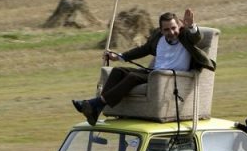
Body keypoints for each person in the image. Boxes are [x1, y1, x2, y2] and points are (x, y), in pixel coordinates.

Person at [72, 9, 215, 125]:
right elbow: (143, 50)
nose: (171, 32)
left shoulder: (186, 36)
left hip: (170, 77)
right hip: (154, 73)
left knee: (133, 77)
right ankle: (96, 110)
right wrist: (119, 57)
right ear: (161, 29)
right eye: (166, 30)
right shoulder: (158, 38)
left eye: (174, 28)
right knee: (118, 71)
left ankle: (95, 103)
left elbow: (196, 38)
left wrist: (191, 26)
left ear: (179, 26)